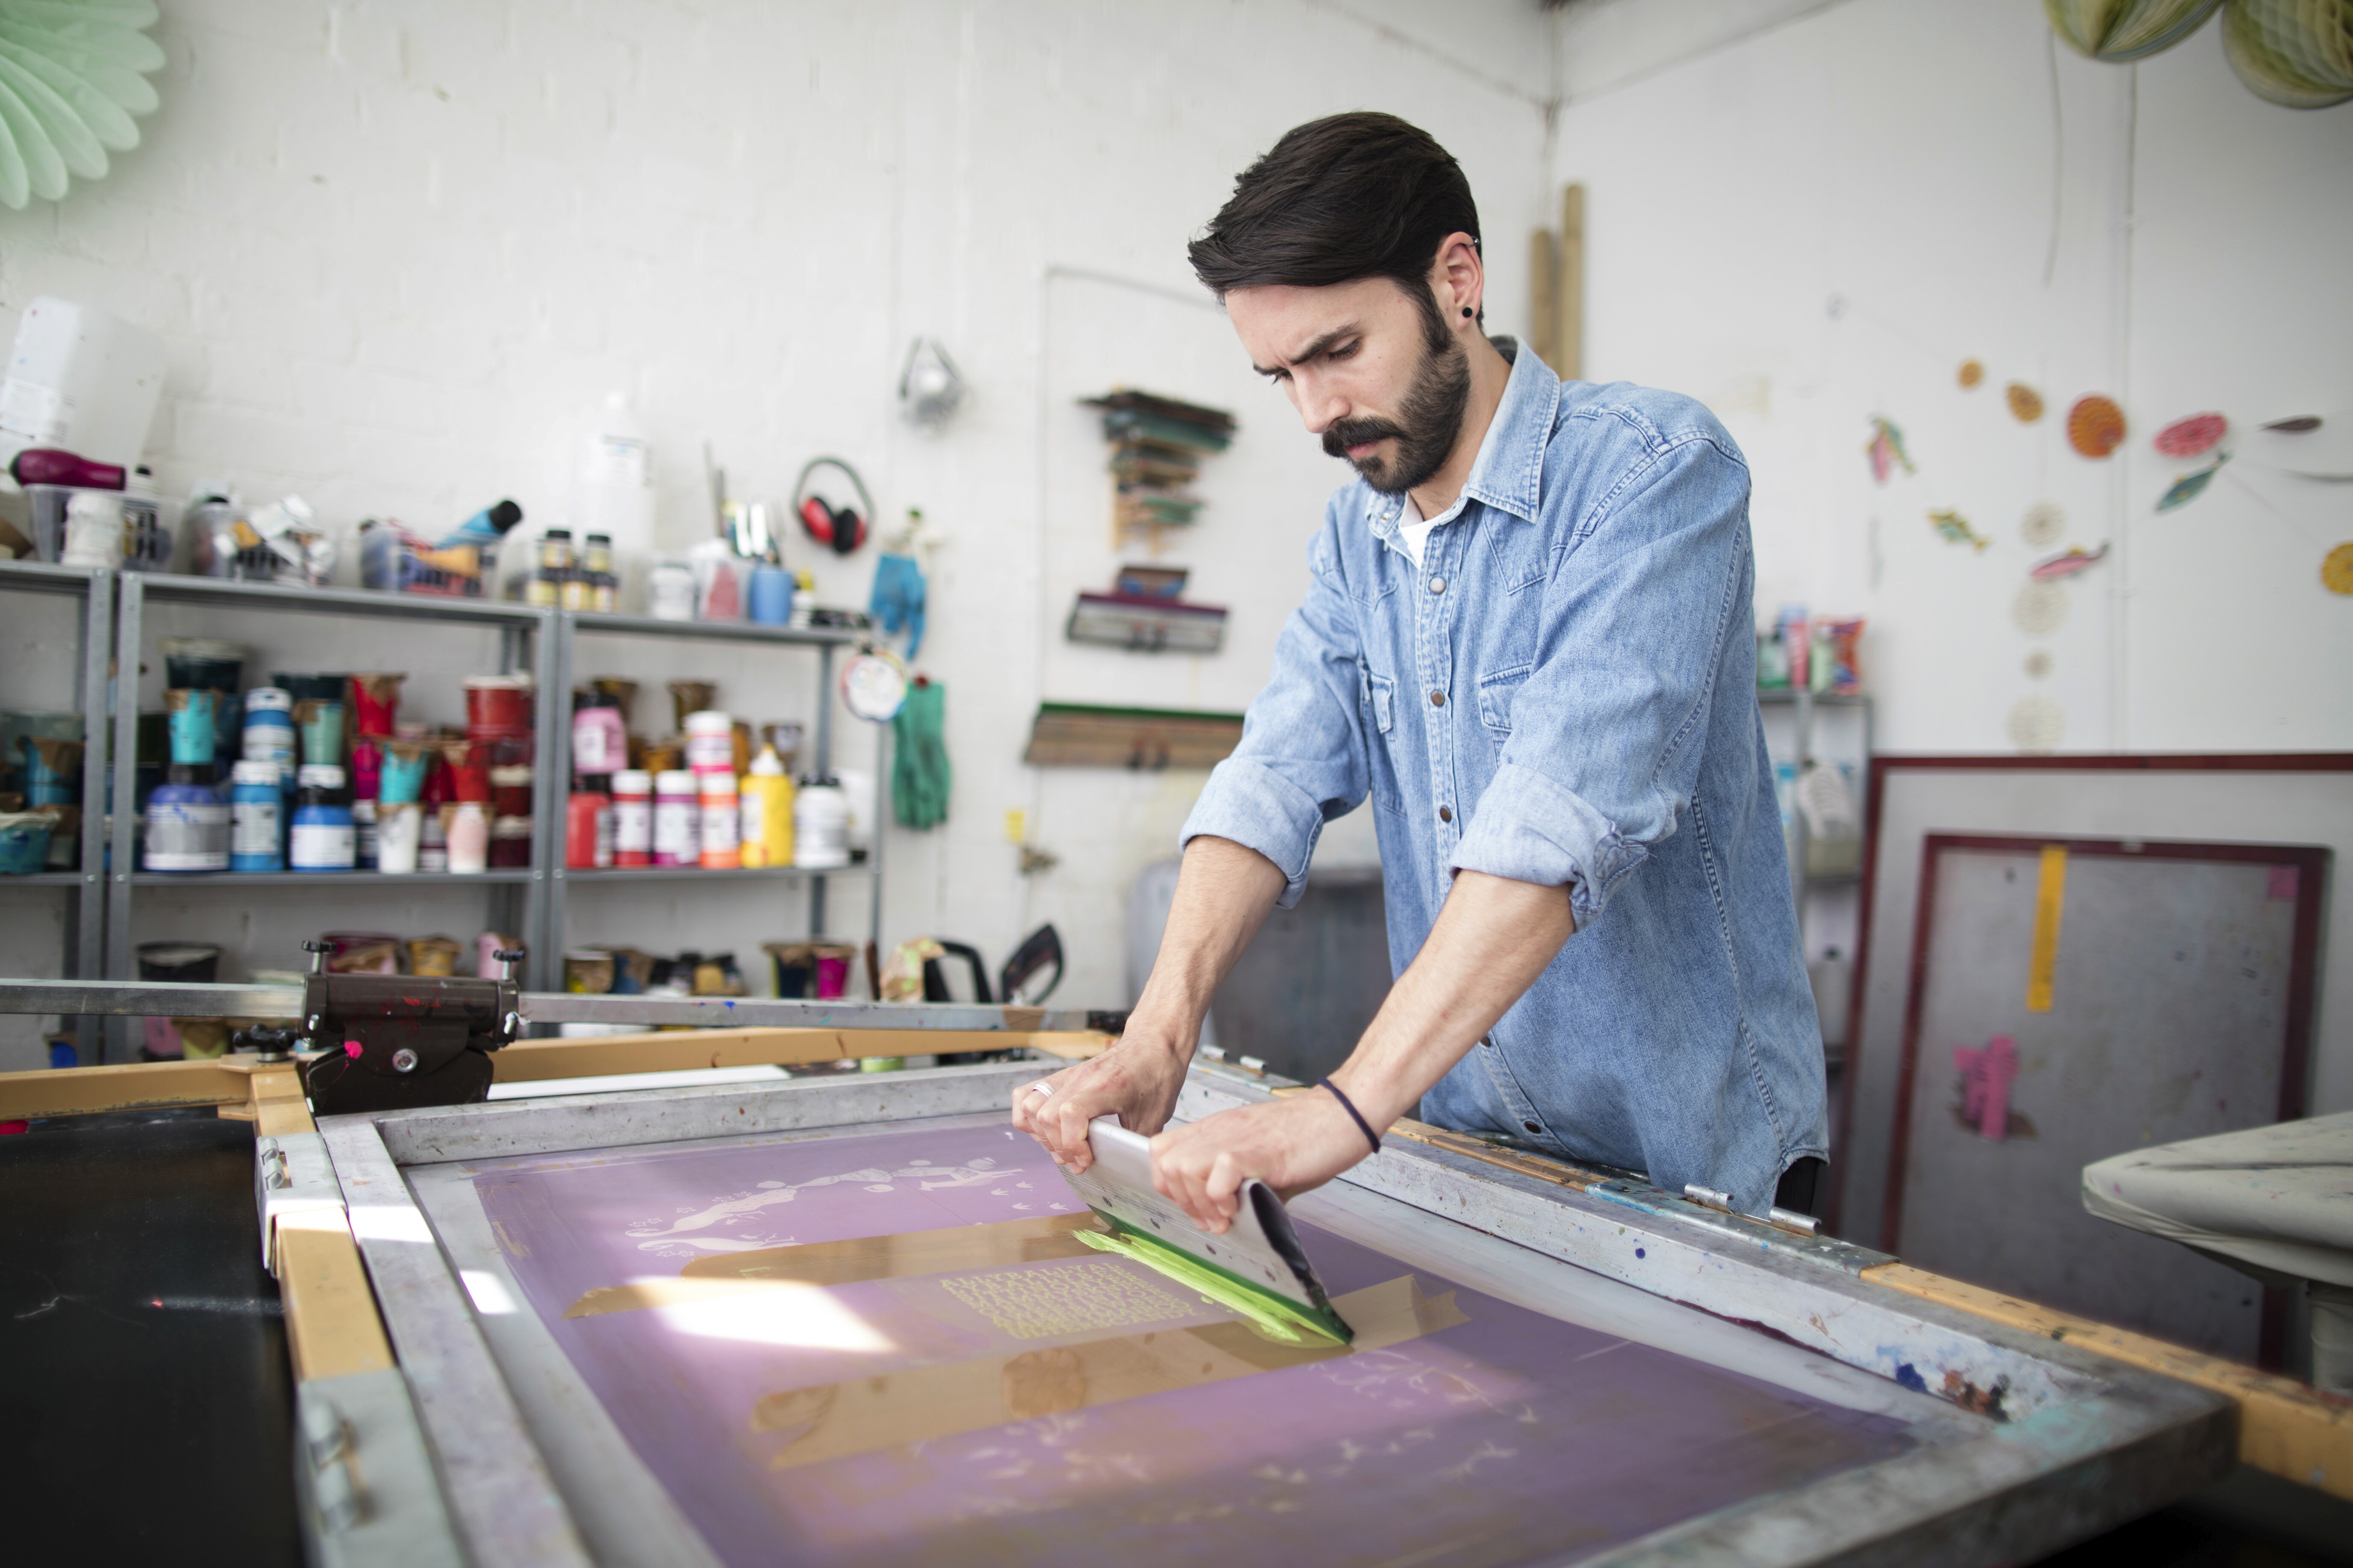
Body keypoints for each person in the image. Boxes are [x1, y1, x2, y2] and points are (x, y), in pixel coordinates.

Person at [1013, 112, 1825, 1232]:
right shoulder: (1358, 540)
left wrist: (1341, 1109)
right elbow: (1273, 777)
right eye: (1279, 374)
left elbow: (1560, 812)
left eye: (1337, 352)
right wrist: (1158, 1032)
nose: (1314, 413)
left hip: (1691, 1167)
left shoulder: (1652, 475)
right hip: (1473, 1150)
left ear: (1456, 279)